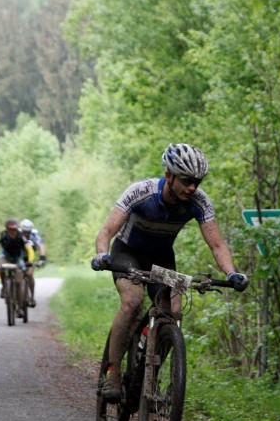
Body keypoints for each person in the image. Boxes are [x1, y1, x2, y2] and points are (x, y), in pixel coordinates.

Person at [91, 143, 249, 402]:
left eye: (196, 182)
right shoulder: (141, 192)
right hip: (126, 253)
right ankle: (113, 372)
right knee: (132, 302)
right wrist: (101, 254)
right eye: (186, 181)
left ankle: (148, 367)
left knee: (173, 312)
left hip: (161, 258)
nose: (192, 188)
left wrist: (232, 273)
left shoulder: (199, 202)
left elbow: (217, 244)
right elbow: (106, 231)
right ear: (169, 176)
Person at [0, 218, 31, 300]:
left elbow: (29, 250)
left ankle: (20, 307)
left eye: (14, 229)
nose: (13, 231)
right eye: (10, 229)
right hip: (5, 256)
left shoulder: (21, 235)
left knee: (18, 282)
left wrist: (30, 261)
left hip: (18, 257)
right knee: (1, 267)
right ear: (6, 228)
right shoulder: (2, 235)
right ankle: (4, 287)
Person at [18, 219, 47, 307]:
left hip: (30, 258)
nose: (26, 233)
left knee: (30, 274)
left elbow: (41, 247)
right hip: (19, 257)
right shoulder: (18, 234)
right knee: (18, 277)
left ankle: (32, 297)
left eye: (28, 232)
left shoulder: (35, 235)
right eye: (24, 232)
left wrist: (42, 258)